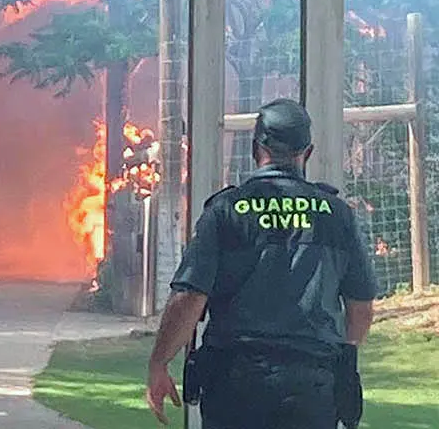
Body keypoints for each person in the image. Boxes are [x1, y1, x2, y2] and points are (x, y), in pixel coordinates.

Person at [144, 98, 378, 428]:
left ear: (256, 149)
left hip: (236, 384)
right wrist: (337, 352)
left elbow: (190, 298)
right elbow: (361, 309)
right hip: (311, 386)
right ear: (307, 153)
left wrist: (159, 362)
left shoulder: (226, 211)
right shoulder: (336, 215)